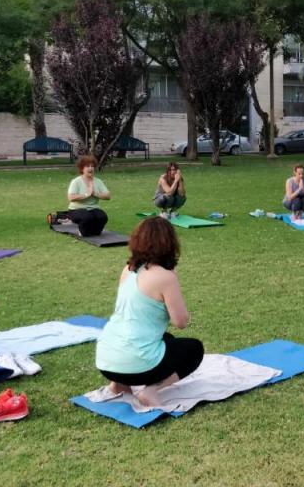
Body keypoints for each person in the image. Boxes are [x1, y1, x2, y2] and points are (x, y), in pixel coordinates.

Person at [95, 217, 203, 407]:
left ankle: (118, 385)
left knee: (167, 339)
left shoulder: (128, 269)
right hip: (136, 365)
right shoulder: (166, 277)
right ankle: (150, 390)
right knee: (194, 349)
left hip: (106, 361)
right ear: (170, 243)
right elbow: (181, 322)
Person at [65, 155, 111, 236]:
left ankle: (95, 230)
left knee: (102, 217)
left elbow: (108, 196)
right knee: (87, 218)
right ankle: (82, 232)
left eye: (92, 166)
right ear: (82, 169)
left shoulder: (98, 181)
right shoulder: (76, 181)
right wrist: (86, 194)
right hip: (76, 209)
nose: (90, 168)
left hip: (93, 208)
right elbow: (70, 197)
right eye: (87, 166)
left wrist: (95, 194)